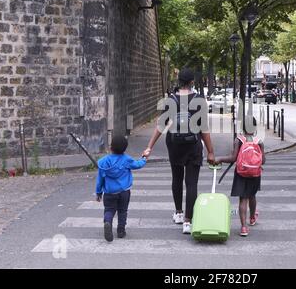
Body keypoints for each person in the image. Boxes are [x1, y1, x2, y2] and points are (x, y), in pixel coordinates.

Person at [143, 68, 215, 234]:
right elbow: (204, 129)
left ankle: (178, 213)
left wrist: (149, 147)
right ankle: (188, 223)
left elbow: (161, 125)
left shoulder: (171, 100)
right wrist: (211, 151)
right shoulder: (199, 100)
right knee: (192, 183)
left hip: (174, 145)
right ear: (192, 82)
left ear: (179, 81)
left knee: (177, 178)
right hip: (193, 145)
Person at [215, 116, 265, 237]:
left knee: (243, 199)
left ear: (242, 127)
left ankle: (243, 227)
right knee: (252, 195)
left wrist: (220, 158)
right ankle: (252, 218)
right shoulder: (259, 141)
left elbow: (233, 158)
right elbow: (263, 161)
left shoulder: (239, 140)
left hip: (241, 173)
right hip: (254, 173)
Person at [96, 135, 147, 242]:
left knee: (109, 210)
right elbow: (138, 165)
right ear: (125, 148)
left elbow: (100, 179)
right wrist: (144, 158)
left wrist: (98, 192)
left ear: (111, 147)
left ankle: (108, 222)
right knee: (122, 211)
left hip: (109, 193)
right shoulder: (126, 159)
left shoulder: (103, 162)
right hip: (124, 192)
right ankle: (121, 231)